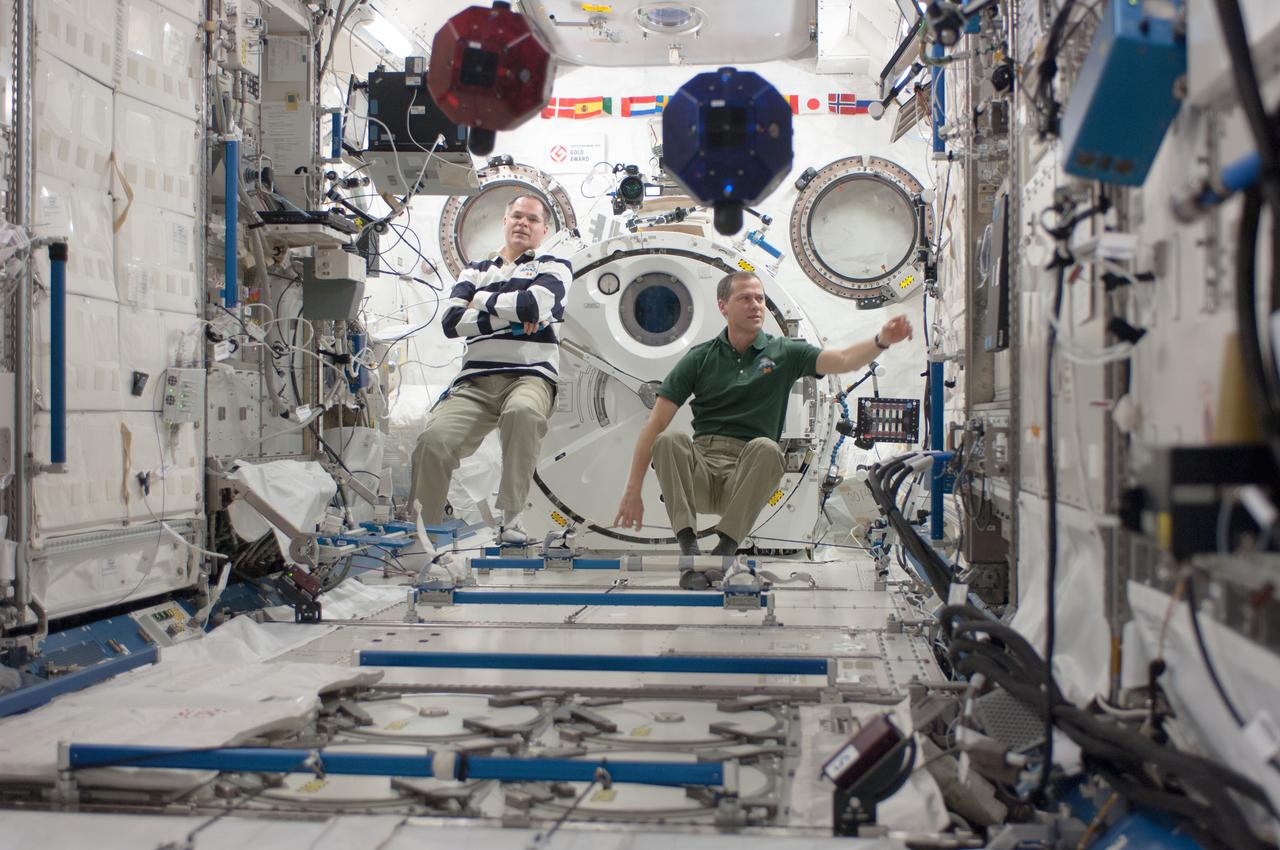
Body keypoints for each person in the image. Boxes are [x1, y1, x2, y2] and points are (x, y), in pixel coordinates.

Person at [613, 270, 913, 561]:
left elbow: (844, 360)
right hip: (700, 474)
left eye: (760, 299)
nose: (756, 305)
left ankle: (725, 549)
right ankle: (689, 546)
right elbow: (655, 423)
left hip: (746, 474)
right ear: (723, 306)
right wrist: (632, 490)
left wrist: (881, 340)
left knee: (767, 448)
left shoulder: (783, 352)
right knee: (670, 439)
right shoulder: (700, 357)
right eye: (745, 298)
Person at [408, 194, 570, 544]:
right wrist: (515, 320)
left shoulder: (554, 266)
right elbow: (451, 322)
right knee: (432, 441)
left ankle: (511, 519)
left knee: (523, 412)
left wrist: (480, 301)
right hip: (475, 383)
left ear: (544, 230)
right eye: (516, 216)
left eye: (531, 219)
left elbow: (533, 304)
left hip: (530, 376)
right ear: (505, 221)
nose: (522, 223)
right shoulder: (475, 270)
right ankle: (423, 536)